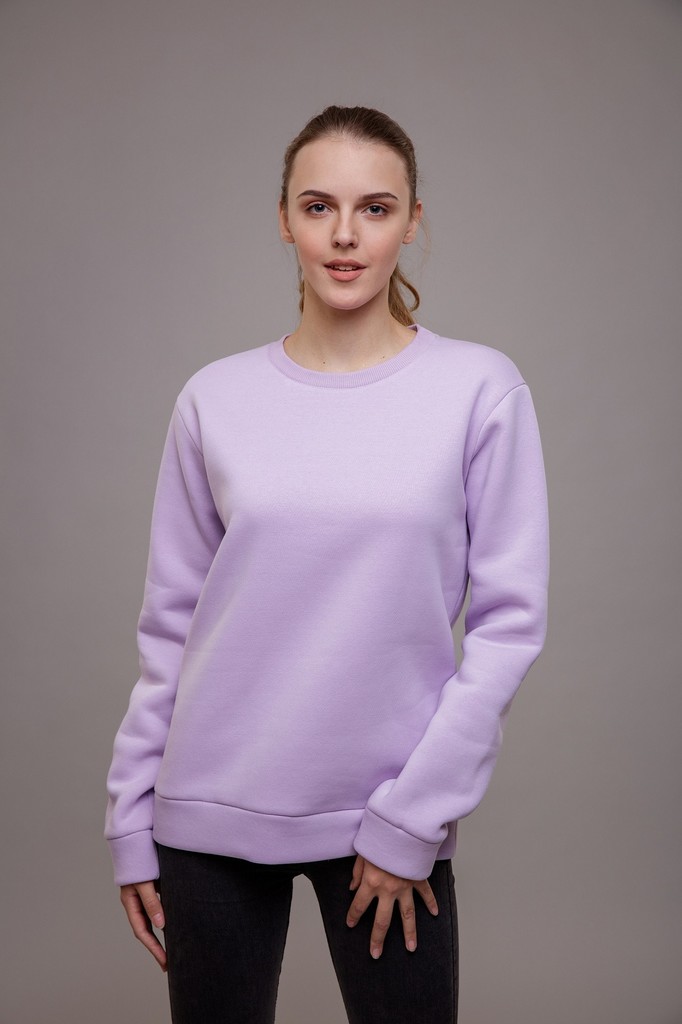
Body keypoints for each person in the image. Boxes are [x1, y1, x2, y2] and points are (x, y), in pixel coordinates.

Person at [105, 104, 549, 1024]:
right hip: (206, 814)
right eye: (319, 206)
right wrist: (130, 819)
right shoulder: (214, 398)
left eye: (375, 208)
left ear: (412, 221)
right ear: (285, 219)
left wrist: (413, 817)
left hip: (392, 814)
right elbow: (170, 628)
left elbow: (510, 629)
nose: (346, 235)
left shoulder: (480, 390)